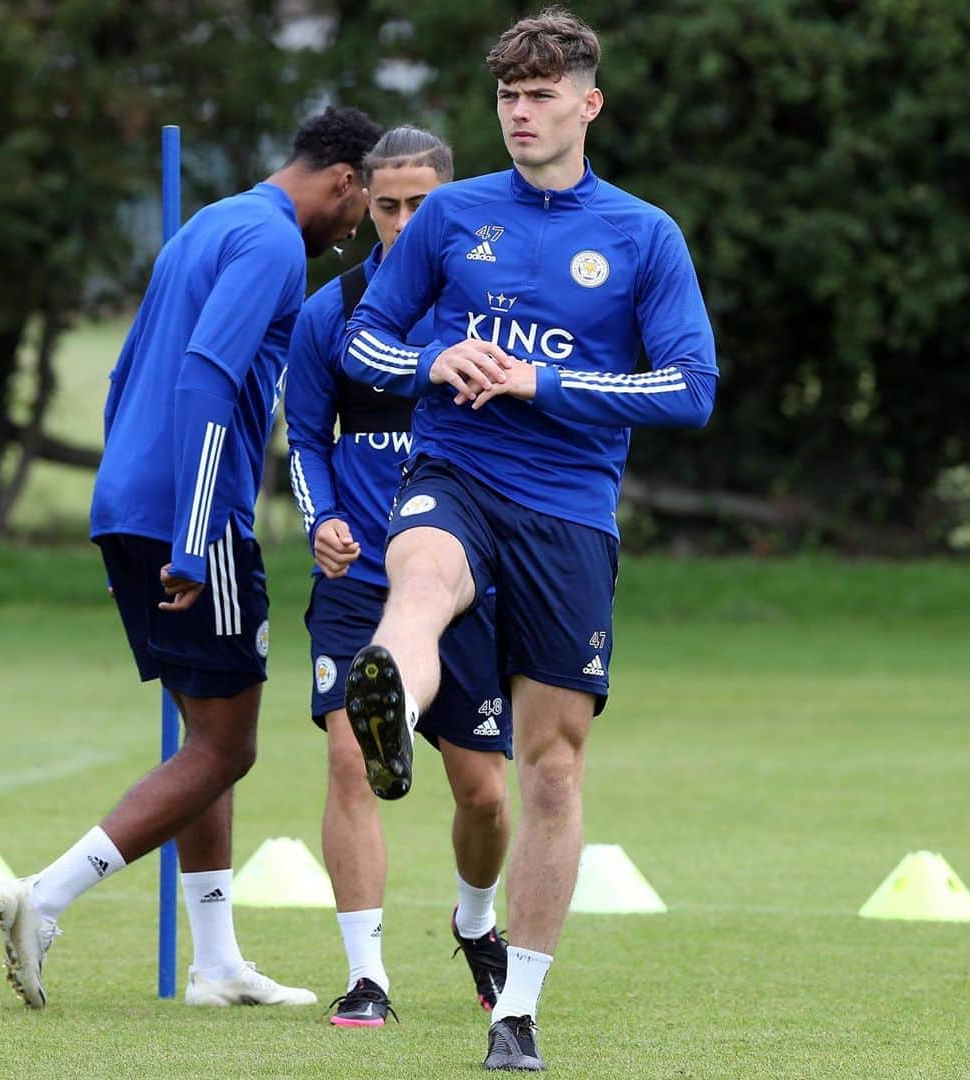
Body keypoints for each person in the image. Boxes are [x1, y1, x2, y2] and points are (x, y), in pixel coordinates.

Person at [340, 10, 718, 1071]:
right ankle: (392, 707)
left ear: (587, 105)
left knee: (551, 769)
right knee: (417, 580)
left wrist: (539, 378)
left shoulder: (645, 235)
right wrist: (433, 362)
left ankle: (518, 1009)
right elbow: (368, 338)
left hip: (569, 512)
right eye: (508, 95)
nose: (521, 111)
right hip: (455, 471)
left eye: (542, 94)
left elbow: (691, 391)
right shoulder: (450, 217)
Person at [0, 106, 383, 1011]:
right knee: (229, 747)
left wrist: (136, 492)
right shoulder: (275, 247)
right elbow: (207, 374)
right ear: (344, 180)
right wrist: (197, 533)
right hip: (189, 519)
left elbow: (126, 373)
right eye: (362, 208)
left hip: (127, 502)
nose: (354, 232)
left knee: (207, 738)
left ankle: (214, 964)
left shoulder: (208, 223)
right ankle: (43, 897)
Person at [285, 126, 512, 1028]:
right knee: (351, 756)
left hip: (463, 576)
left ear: (451, 205)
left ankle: (476, 919)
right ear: (365, 206)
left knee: (485, 793)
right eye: (387, 206)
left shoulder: (487, 311)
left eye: (423, 205)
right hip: (360, 580)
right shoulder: (330, 313)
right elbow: (304, 438)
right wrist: (324, 521)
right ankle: (368, 975)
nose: (405, 221)